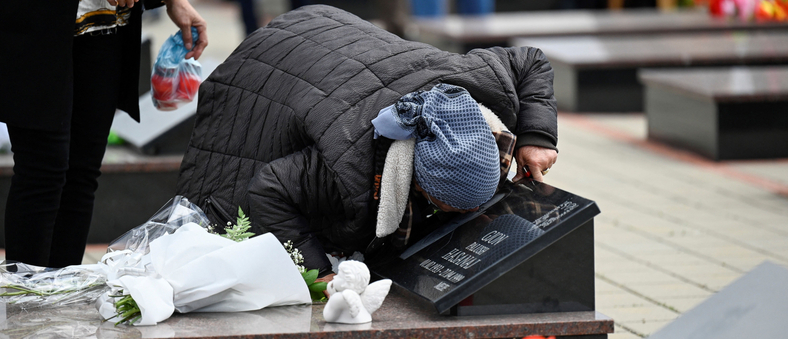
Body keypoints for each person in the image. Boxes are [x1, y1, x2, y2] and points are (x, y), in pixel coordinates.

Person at [176, 5, 557, 279]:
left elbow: (531, 61)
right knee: (227, 207)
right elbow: (268, 189)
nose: (464, 216)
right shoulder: (349, 170)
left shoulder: (477, 81)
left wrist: (537, 138)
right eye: (451, 207)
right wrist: (320, 273)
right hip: (262, 72)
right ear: (419, 181)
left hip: (330, 34)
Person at [0, 0, 208, 268]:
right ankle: (25, 296)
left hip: (105, 24)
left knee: (82, 172)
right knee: (42, 169)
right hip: (38, 23)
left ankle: (63, 290)